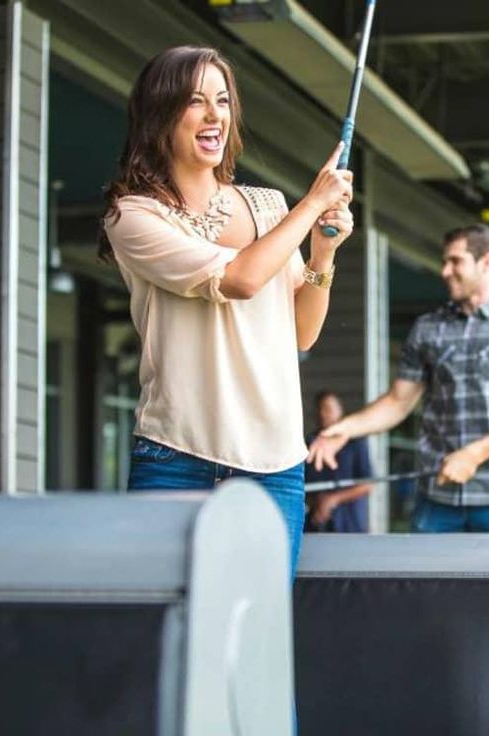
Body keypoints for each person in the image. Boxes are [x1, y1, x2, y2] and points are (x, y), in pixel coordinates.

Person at [101, 46, 354, 574]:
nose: (216, 115)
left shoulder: (268, 207)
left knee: (258, 637)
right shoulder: (134, 217)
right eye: (196, 102)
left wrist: (323, 251)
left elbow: (301, 333)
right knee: (170, 637)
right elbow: (238, 280)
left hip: (276, 465)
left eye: (223, 100)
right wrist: (311, 206)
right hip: (176, 458)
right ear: (161, 114)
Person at [308, 224, 489, 533]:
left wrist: (473, 454)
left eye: (455, 261)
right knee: (426, 584)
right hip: (436, 501)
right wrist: (344, 429)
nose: (444, 271)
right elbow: (398, 403)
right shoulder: (427, 329)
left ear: (487, 263)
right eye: (445, 261)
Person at [304, 391, 373, 533]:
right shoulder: (310, 442)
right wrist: (319, 502)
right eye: (320, 409)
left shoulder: (356, 441)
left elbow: (367, 485)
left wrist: (333, 499)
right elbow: (302, 485)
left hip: (350, 524)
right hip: (318, 524)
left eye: (328, 408)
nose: (323, 413)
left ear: (340, 411)